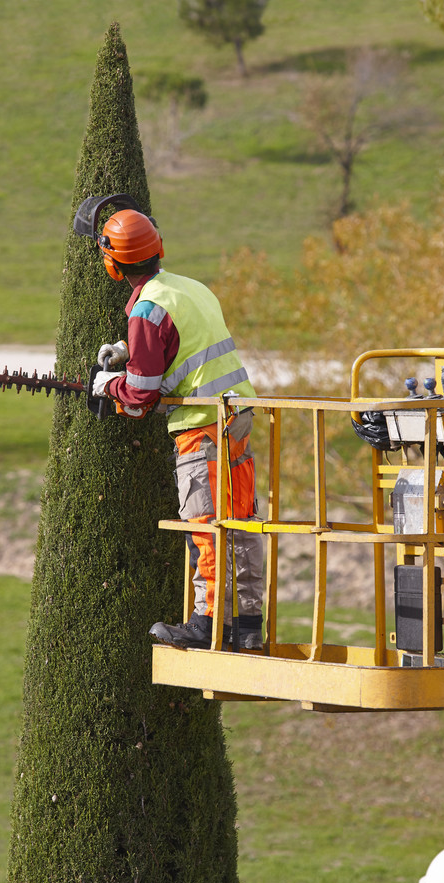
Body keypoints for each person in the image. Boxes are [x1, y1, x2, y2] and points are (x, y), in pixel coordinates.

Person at [88, 206, 264, 651]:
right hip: (237, 416)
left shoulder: (147, 309)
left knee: (203, 522)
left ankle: (206, 624)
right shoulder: (188, 288)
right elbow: (188, 340)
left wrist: (111, 385)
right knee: (240, 522)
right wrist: (130, 349)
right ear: (158, 248)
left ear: (113, 264)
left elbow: (142, 394)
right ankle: (247, 627)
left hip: (202, 427)